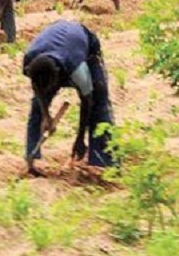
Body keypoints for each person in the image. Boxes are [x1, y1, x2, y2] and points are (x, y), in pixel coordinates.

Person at [23, 20, 115, 175]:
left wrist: (79, 139)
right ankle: (31, 158)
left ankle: (103, 162)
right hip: (55, 43)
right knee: (36, 106)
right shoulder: (30, 62)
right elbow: (37, 89)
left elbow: (87, 101)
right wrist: (46, 115)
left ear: (58, 78)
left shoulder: (77, 67)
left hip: (85, 47)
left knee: (99, 102)